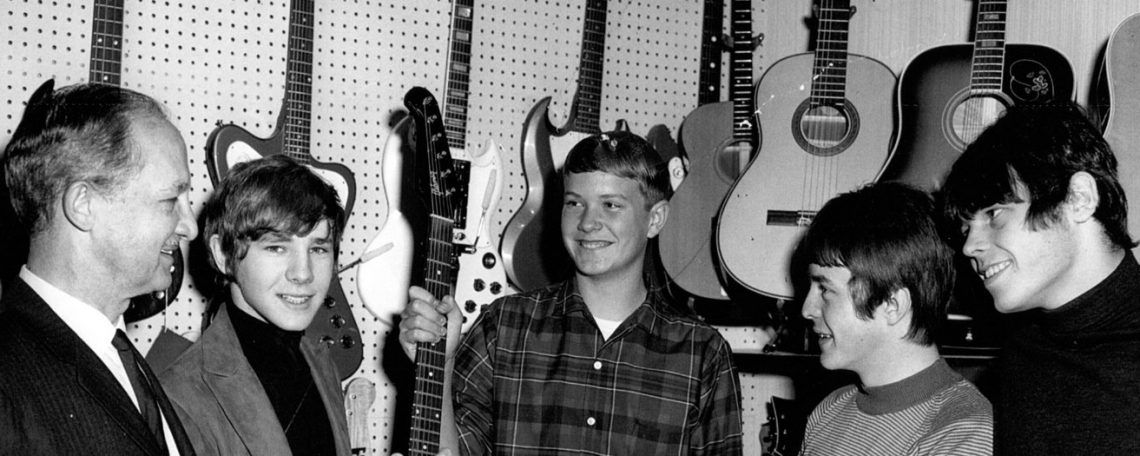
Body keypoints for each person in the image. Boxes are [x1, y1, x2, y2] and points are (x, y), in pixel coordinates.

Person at [398, 131, 744, 455]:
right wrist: (440, 363)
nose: (588, 222)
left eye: (611, 205)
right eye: (575, 203)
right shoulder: (502, 326)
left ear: (655, 219)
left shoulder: (703, 354)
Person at [0, 80, 198, 455]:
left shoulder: (117, 354)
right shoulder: (9, 374)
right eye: (170, 199)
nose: (190, 227)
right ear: (84, 205)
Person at [941, 102, 1140, 455]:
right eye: (966, 229)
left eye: (994, 213)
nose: (970, 246)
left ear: (1079, 199)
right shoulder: (1022, 355)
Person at [157, 154, 351, 455]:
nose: (303, 273)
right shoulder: (181, 395)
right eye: (277, 247)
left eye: (318, 249)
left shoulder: (321, 361)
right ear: (223, 255)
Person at [798, 182, 993, 455]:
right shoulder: (830, 410)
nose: (807, 309)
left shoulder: (961, 433)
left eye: (825, 290)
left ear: (893, 305)